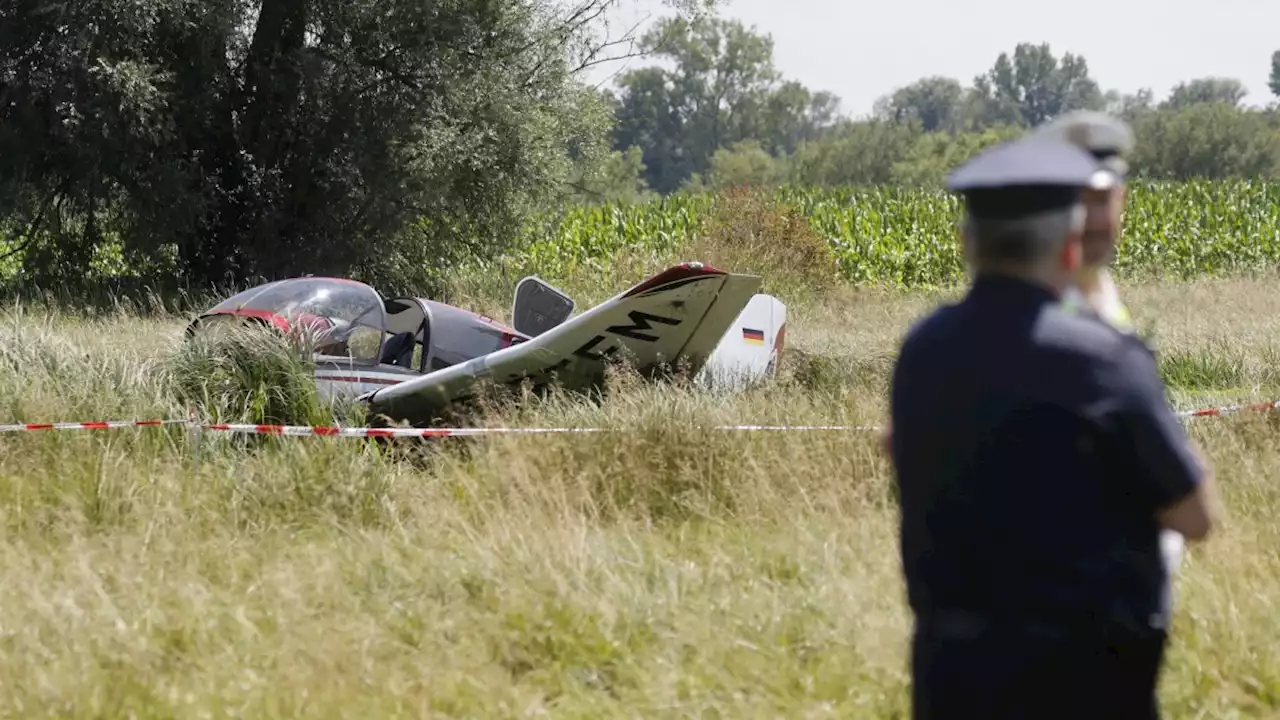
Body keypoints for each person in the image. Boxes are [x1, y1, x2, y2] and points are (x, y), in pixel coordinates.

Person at [886, 135, 1217, 719]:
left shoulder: (921, 350)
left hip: (950, 678)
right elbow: (1194, 515)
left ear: (967, 244)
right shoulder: (1106, 360)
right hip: (1084, 680)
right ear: (1069, 247)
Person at [1030, 109, 1191, 603]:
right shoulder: (1032, 304)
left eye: (1103, 198)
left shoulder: (1099, 289)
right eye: (1079, 200)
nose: (1094, 218)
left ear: (1122, 199)